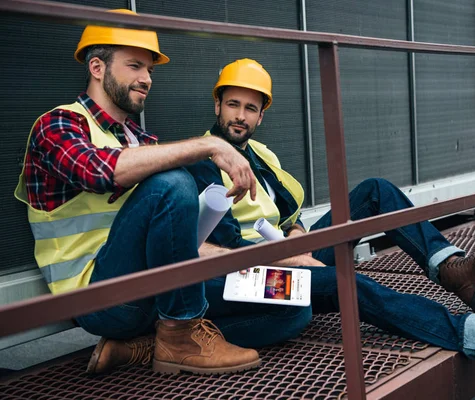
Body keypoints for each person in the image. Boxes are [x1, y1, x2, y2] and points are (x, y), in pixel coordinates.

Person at [183, 58, 475, 376]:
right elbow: (226, 246)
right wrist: (297, 257)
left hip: (287, 253)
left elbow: (288, 214)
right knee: (347, 281)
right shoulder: (204, 160)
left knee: (375, 190)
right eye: (233, 104)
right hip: (244, 278)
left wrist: (296, 233)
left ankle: (455, 270)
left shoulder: (262, 156)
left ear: (262, 115)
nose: (240, 115)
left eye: (250, 108)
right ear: (217, 105)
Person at [14, 11, 279, 376]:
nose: (146, 79)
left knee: (286, 298)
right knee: (173, 182)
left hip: (153, 289)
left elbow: (169, 233)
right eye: (135, 66)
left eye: (151, 70)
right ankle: (181, 332)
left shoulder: (142, 141)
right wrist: (208, 146)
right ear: (96, 67)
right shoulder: (58, 123)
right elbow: (100, 171)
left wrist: (236, 258)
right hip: (99, 298)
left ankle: (143, 347)